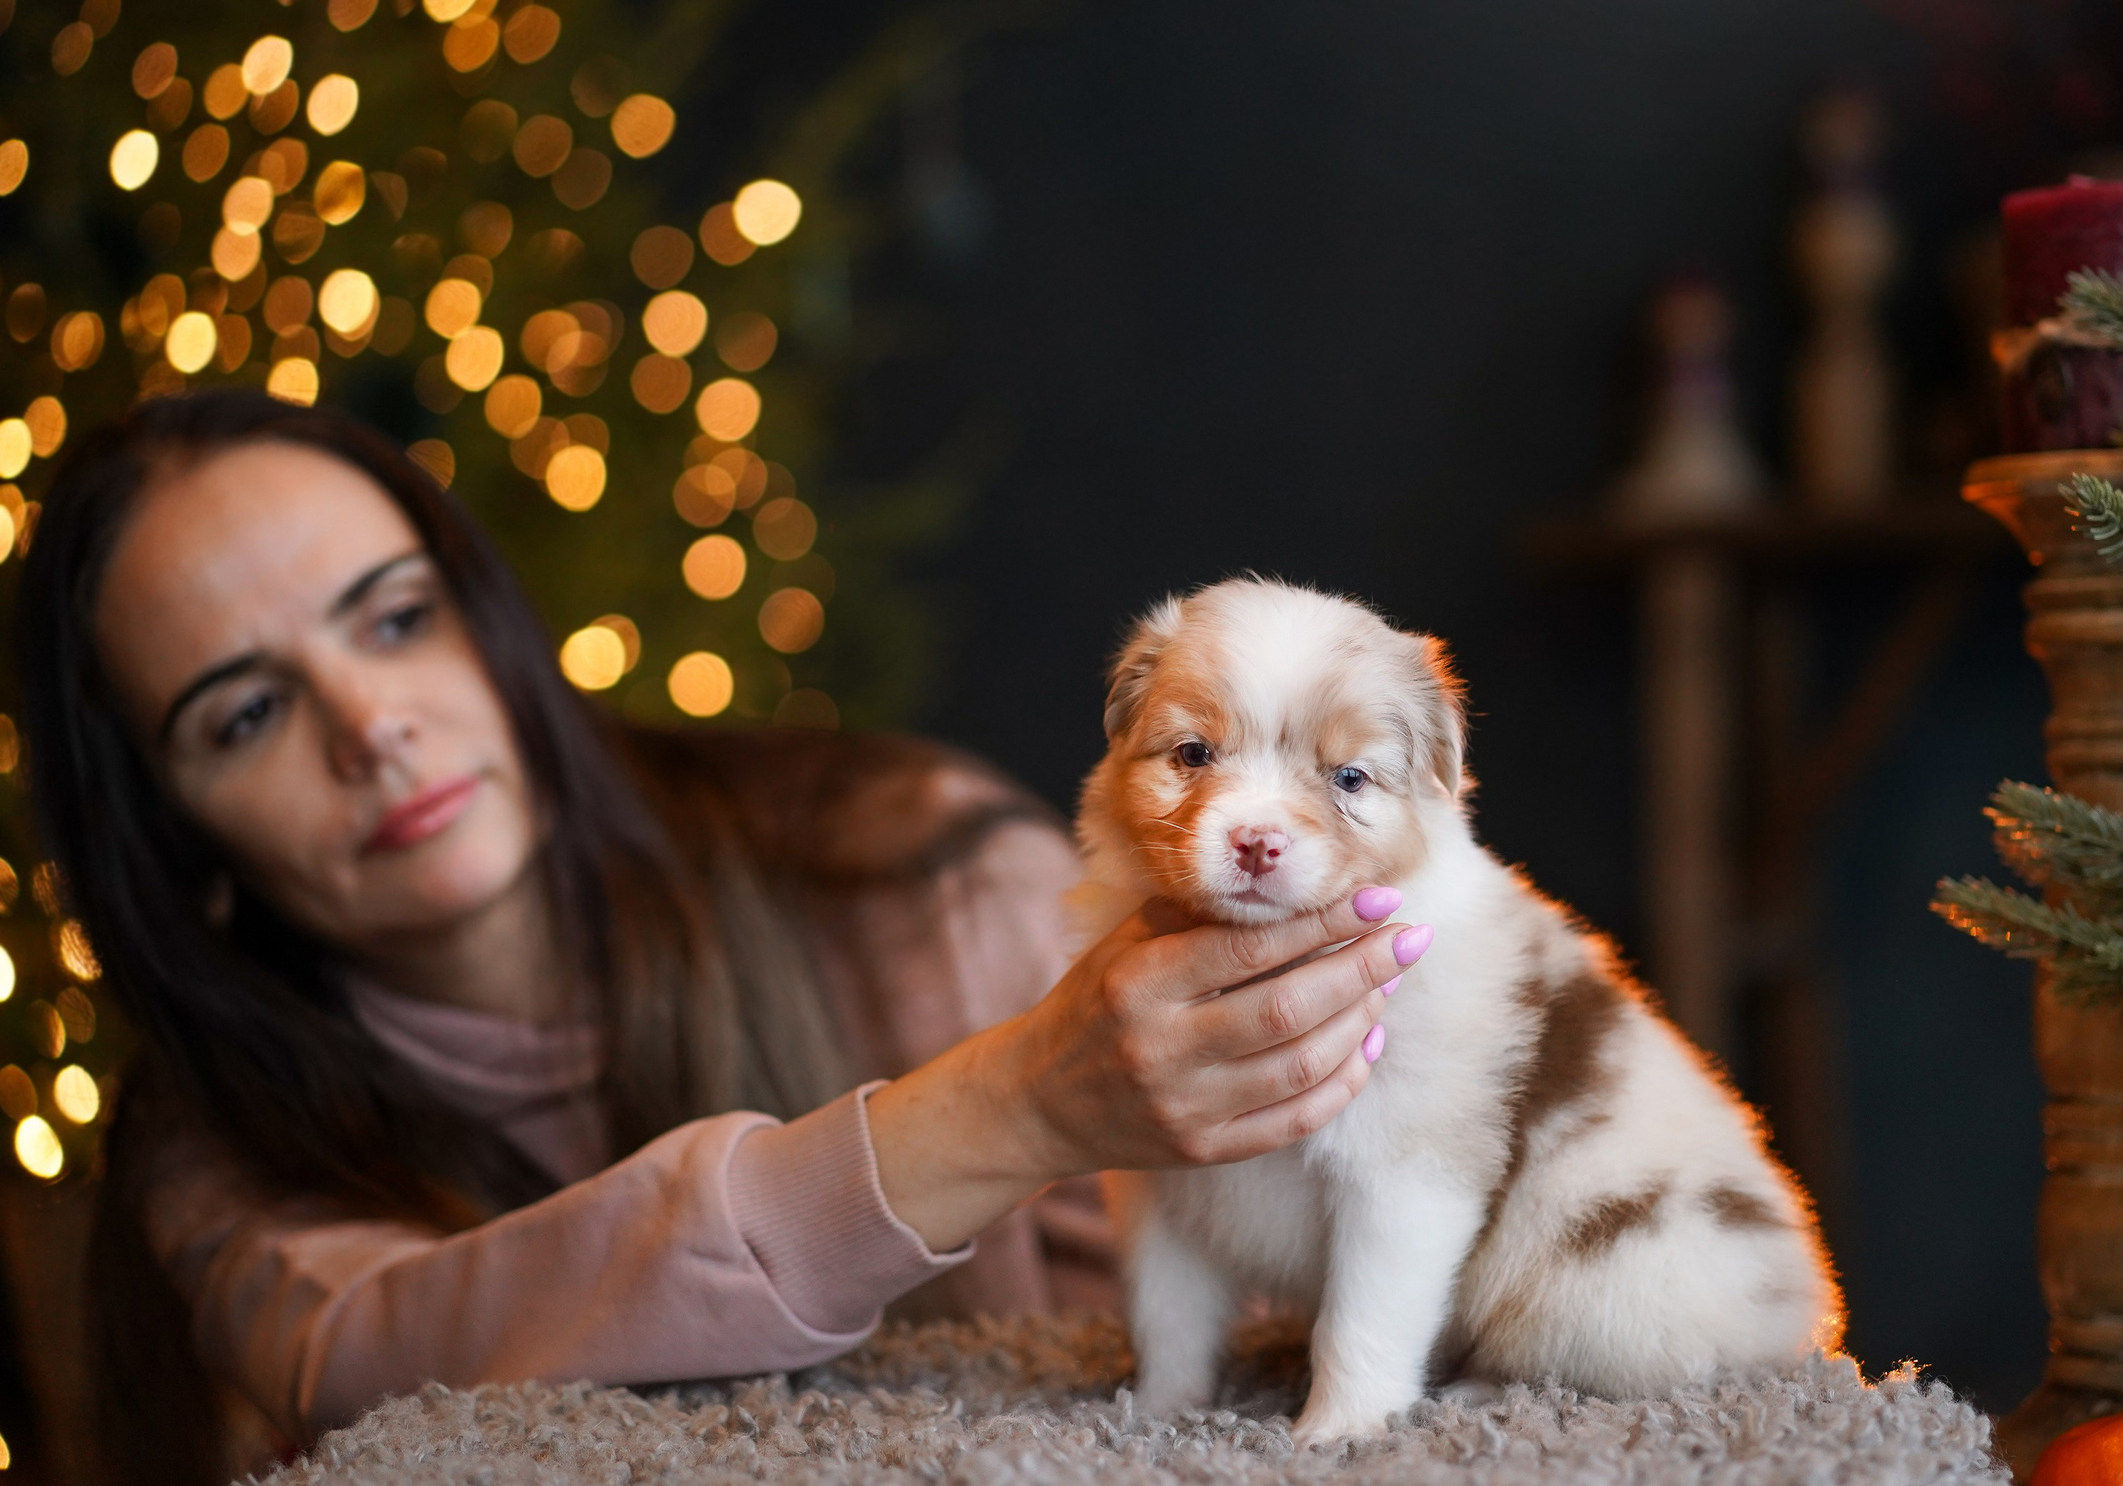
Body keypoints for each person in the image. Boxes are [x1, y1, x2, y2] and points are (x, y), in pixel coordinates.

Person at [27, 391, 1425, 1483]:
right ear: (169, 837)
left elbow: (1160, 1403)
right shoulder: (220, 1158)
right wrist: (1016, 1106)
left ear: (490, 629)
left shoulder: (912, 862)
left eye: (397, 620)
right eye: (247, 716)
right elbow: (378, 1364)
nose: (368, 726)